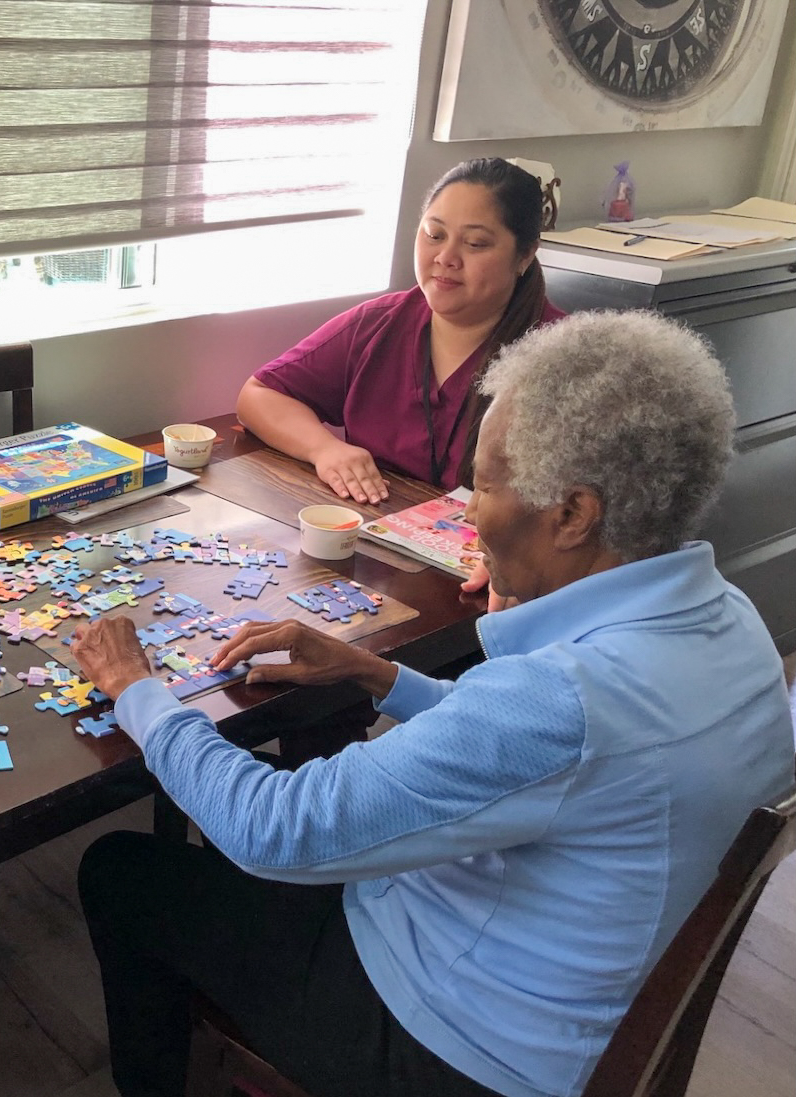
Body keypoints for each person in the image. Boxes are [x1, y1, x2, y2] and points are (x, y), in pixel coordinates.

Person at [71, 309, 796, 1097]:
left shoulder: (561, 698)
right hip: (586, 1000)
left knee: (121, 870)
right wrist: (377, 675)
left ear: (573, 514)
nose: (468, 513)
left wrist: (137, 690)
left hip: (456, 1049)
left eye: (481, 485)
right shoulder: (732, 620)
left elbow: (269, 830)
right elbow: (540, 762)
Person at [237, 157, 564, 506]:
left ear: (525, 255)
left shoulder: (566, 356)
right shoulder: (380, 324)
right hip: (376, 536)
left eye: (476, 244)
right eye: (434, 235)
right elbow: (259, 395)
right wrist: (325, 450)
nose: (446, 257)